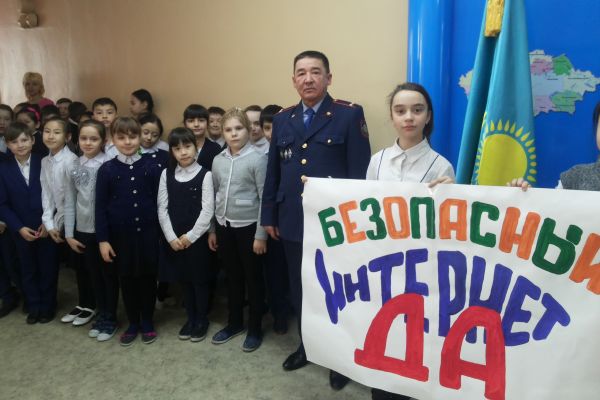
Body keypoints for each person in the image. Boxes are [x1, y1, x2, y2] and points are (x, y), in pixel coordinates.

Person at [261, 50, 371, 390]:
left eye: (315, 72)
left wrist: (357, 223)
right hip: (292, 219)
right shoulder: (283, 119)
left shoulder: (348, 115)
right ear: (293, 80)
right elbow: (273, 172)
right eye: (301, 73)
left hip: (334, 224)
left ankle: (339, 357)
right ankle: (307, 346)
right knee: (300, 288)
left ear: (328, 78)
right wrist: (269, 215)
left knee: (336, 290)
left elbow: (359, 174)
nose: (308, 79)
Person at [366, 82, 453, 400]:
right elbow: (363, 210)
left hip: (420, 270)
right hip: (380, 266)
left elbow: (448, 227)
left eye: (417, 110)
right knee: (382, 337)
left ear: (428, 116)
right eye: (400, 110)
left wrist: (450, 194)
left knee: (415, 340)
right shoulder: (377, 161)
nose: (409, 117)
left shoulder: (441, 165)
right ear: (391, 116)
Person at [95, 117, 162, 346]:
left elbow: (160, 202)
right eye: (121, 137)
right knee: (127, 279)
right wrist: (103, 240)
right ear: (112, 139)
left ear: (140, 137)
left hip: (148, 234)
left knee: (147, 279)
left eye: (132, 137)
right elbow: (100, 208)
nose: (127, 142)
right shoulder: (106, 170)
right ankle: (133, 322)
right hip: (120, 237)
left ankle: (147, 321)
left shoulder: (152, 167)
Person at [209, 107, 267, 352]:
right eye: (228, 130)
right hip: (225, 227)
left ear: (248, 129)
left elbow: (264, 199)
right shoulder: (218, 160)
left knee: (253, 280)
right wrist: (213, 229)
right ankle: (234, 323)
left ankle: (255, 328)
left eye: (238, 128)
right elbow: (215, 194)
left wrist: (261, 235)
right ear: (223, 133)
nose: (233, 134)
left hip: (249, 229)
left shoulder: (258, 159)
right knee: (232, 278)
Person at [158, 127, 214, 342]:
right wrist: (171, 237)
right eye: (177, 148)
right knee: (184, 281)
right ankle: (190, 318)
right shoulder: (166, 174)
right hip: (175, 239)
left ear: (195, 147)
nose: (183, 152)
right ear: (172, 152)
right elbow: (162, 208)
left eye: (187, 146)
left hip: (196, 239)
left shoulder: (205, 174)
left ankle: (201, 320)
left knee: (199, 280)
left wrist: (191, 236)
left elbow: (207, 210)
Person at [64, 120, 118, 341]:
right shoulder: (73, 165)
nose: (88, 142)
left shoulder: (110, 164)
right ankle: (102, 312)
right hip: (83, 229)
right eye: (83, 138)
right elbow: (70, 200)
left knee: (109, 276)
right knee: (94, 275)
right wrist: (69, 233)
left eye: (93, 138)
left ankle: (111, 317)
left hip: (106, 231)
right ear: (77, 140)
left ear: (104, 141)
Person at [0, 121, 58, 324]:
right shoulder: (3, 168)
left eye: (24, 140)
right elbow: (2, 204)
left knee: (48, 267)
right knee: (27, 268)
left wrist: (48, 223)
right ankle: (34, 305)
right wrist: (18, 227)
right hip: (20, 228)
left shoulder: (45, 162)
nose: (20, 145)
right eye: (14, 142)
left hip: (45, 225)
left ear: (33, 140)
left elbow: (56, 196)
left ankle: (48, 306)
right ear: (7, 145)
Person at [259, 104, 289, 334]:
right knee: (274, 272)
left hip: (290, 218)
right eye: (267, 128)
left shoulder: (290, 151)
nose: (271, 133)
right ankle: (279, 315)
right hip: (270, 221)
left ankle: (292, 309)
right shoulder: (259, 156)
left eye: (274, 128)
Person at [0, 105, 21, 318]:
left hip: (7, 217)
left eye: (6, 118)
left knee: (10, 259)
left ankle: (17, 293)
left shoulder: (5, 157)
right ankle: (6, 293)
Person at [183, 104, 221, 171]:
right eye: (191, 121)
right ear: (185, 124)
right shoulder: (178, 146)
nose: (196, 124)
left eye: (201, 120)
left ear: (207, 123)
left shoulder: (215, 148)